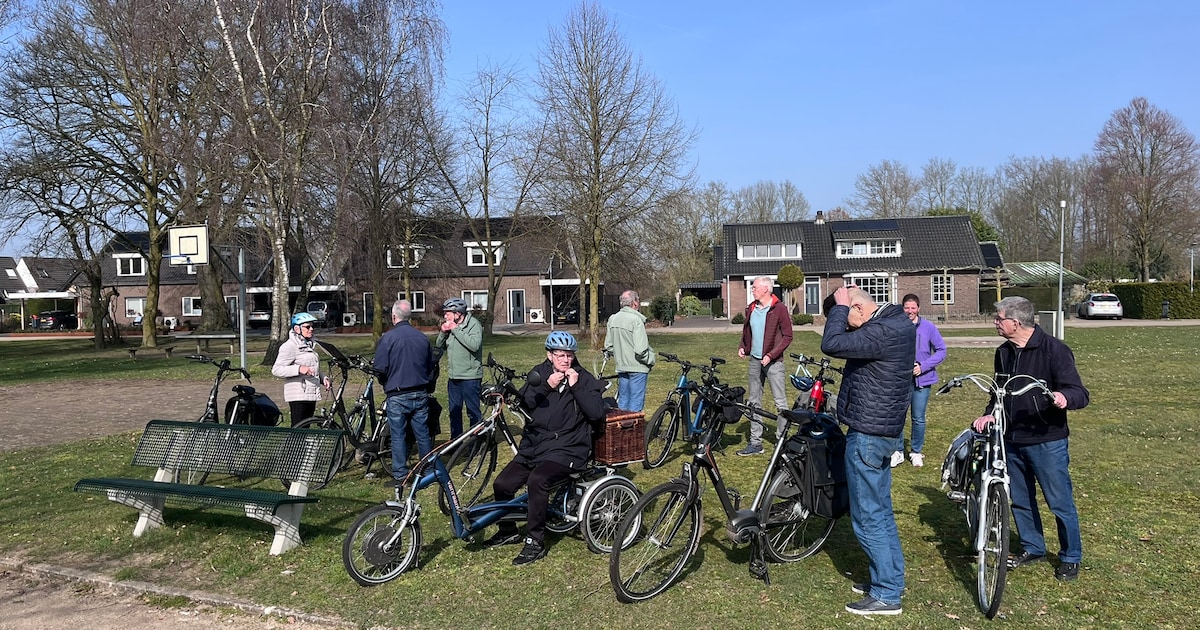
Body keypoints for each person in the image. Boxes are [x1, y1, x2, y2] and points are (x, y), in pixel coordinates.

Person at [972, 296, 1089, 582]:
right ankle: (1033, 547)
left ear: (1016, 322)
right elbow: (998, 391)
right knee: (1021, 501)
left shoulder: (1054, 351)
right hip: (1011, 439)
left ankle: (1070, 556)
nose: (995, 323)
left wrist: (1064, 398)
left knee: (1059, 502)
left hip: (1046, 440)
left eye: (999, 319)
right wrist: (990, 414)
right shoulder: (1003, 352)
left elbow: (1079, 392)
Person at [820, 285, 914, 616]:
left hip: (869, 434)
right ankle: (888, 579)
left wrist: (839, 307)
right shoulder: (895, 323)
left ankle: (887, 594)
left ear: (858, 309)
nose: (847, 327)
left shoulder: (882, 331)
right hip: (883, 430)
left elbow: (831, 344)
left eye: (848, 319)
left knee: (868, 515)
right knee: (881, 510)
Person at [484, 331, 606, 566]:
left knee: (538, 480)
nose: (566, 360)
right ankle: (507, 530)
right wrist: (545, 387)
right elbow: (525, 403)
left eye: (570, 355)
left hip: (568, 447)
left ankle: (535, 541)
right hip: (536, 444)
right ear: (549, 355)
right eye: (560, 355)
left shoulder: (584, 378)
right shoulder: (540, 374)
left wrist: (576, 386)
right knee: (503, 484)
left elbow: (597, 413)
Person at [374, 299, 434, 488]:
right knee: (422, 433)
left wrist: (385, 382)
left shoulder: (388, 338)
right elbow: (431, 365)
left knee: (398, 434)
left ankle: (401, 474)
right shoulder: (422, 338)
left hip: (398, 393)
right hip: (420, 391)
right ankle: (427, 469)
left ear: (394, 316)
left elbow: (380, 368)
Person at [735, 276, 793, 456]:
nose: (752, 289)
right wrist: (744, 347)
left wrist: (771, 354)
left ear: (766, 289)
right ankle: (755, 443)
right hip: (754, 361)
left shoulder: (779, 309)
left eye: (755, 287)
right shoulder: (752, 308)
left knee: (780, 402)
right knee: (753, 401)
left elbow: (787, 336)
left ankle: (782, 441)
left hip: (774, 363)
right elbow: (748, 331)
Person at [897, 293, 947, 468]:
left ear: (918, 308)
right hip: (900, 379)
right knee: (898, 416)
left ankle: (916, 451)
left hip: (922, 380)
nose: (910, 311)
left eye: (913, 308)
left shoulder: (928, 327)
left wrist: (923, 366)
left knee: (918, 417)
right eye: (906, 308)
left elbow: (941, 350)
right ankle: (897, 451)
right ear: (902, 308)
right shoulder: (897, 326)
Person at [435, 298, 483, 439]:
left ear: (458, 313)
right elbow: (439, 346)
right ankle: (456, 442)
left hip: (470, 377)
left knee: (473, 412)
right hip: (454, 377)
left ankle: (476, 442)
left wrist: (455, 330)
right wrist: (443, 332)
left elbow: (474, 345)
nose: (445, 316)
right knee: (454, 411)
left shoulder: (474, 324)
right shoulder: (450, 326)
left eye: (447, 313)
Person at [271, 312, 329, 425]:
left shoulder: (309, 345)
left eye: (313, 326)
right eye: (307, 327)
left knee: (305, 428)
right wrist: (298, 369)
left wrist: (323, 378)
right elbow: (276, 369)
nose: (311, 329)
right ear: (297, 329)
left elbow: (311, 366)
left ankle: (301, 443)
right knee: (298, 428)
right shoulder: (289, 346)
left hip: (311, 392)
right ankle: (291, 444)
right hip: (298, 394)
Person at [604, 290, 655, 412]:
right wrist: (651, 360)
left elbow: (609, 346)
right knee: (635, 404)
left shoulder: (613, 319)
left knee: (623, 401)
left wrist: (621, 355)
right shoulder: (636, 320)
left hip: (622, 366)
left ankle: (621, 429)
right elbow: (640, 350)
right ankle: (632, 429)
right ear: (635, 303)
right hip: (637, 367)